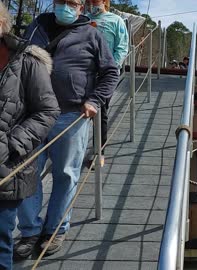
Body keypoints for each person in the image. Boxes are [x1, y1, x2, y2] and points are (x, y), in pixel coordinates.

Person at [14, 0, 118, 258]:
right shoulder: (36, 27)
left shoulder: (92, 34)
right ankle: (29, 231)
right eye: (62, 1)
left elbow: (110, 72)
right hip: (31, 114)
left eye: (72, 3)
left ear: (81, 8)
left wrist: (94, 101)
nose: (66, 7)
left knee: (66, 175)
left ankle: (55, 230)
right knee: (25, 173)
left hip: (71, 116)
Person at [0, 2, 60, 269]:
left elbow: (48, 110)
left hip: (5, 167)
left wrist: (13, 143)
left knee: (0, 241)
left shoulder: (27, 60)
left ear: (2, 24)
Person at [86, 0, 129, 166]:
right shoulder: (83, 19)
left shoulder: (116, 20)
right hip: (83, 73)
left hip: (105, 74)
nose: (91, 3)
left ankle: (99, 153)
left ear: (104, 2)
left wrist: (110, 68)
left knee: (100, 112)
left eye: (95, 0)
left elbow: (122, 47)